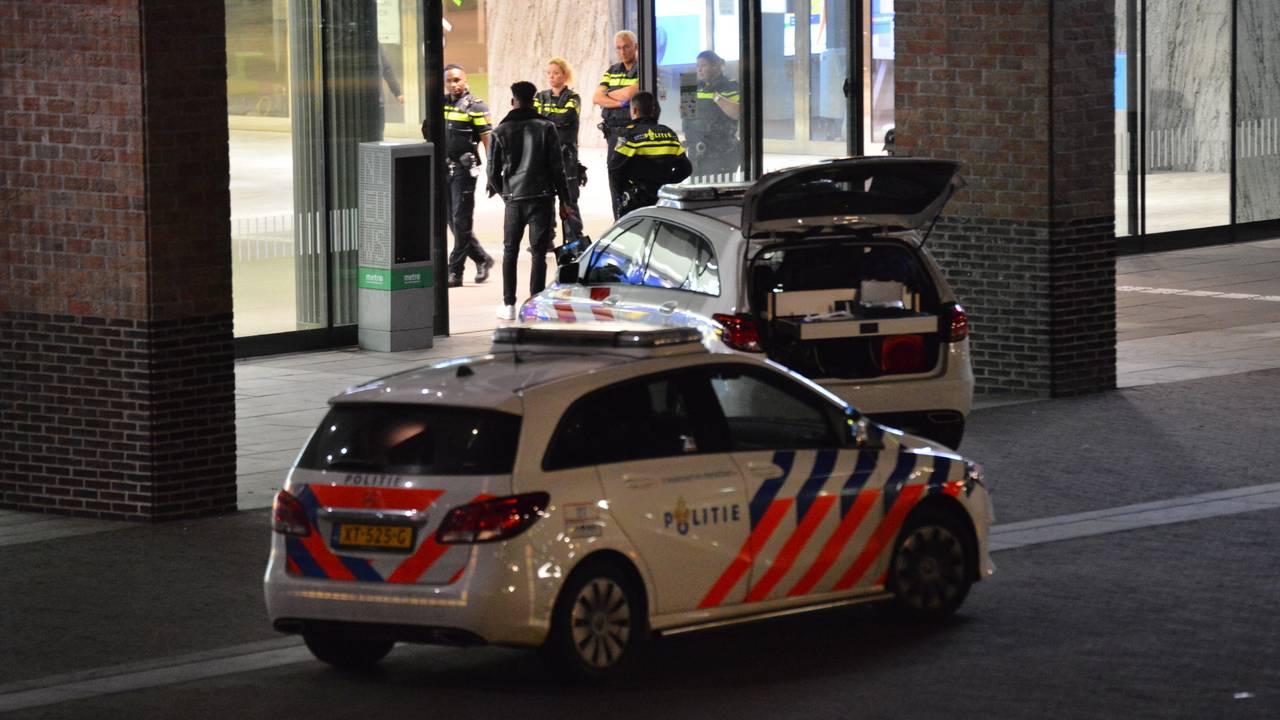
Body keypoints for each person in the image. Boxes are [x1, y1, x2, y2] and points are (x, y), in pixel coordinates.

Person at [486, 81, 573, 321]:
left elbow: (491, 173)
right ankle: (534, 303)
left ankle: (509, 305)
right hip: (543, 198)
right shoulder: (546, 127)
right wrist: (565, 201)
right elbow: (558, 169)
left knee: (510, 251)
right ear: (534, 100)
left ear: (513, 101)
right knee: (538, 254)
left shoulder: (499, 131)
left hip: (514, 199)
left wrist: (506, 194)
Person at [426, 64, 495, 288]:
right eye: (449, 81)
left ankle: (455, 271)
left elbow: (487, 139)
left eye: (457, 80)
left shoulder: (476, 106)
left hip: (465, 170)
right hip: (444, 169)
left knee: (460, 220)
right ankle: (482, 258)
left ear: (465, 80)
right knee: (452, 222)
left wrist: (492, 169)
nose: (454, 84)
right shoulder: (439, 105)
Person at [607, 91, 691, 217]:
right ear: (653, 110)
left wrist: (623, 195)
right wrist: (666, 182)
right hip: (663, 200)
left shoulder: (629, 135)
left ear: (634, 110)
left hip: (637, 203)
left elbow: (614, 169)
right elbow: (686, 169)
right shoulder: (669, 134)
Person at [534, 57, 588, 248]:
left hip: (567, 156)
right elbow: (537, 120)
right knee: (545, 199)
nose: (551, 76)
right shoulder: (540, 96)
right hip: (544, 155)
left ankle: (574, 239)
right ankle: (545, 239)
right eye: (549, 73)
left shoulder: (574, 98)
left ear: (564, 75)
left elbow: (567, 117)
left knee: (569, 199)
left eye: (555, 73)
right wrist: (553, 119)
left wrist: (547, 119)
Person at [592, 30, 641, 219]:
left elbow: (632, 94)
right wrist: (620, 102)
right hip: (613, 134)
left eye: (626, 46)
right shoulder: (612, 70)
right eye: (619, 48)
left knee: (635, 178)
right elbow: (596, 97)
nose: (622, 51)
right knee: (615, 178)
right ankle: (619, 220)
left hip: (633, 132)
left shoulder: (643, 67)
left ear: (635, 47)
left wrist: (610, 94)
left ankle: (635, 219)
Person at [682, 50, 741, 179]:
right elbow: (687, 116)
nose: (699, 70)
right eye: (697, 66)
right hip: (696, 150)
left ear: (716, 66)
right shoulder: (696, 86)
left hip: (721, 153)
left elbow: (737, 113)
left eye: (703, 66)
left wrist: (716, 97)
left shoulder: (730, 86)